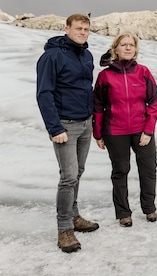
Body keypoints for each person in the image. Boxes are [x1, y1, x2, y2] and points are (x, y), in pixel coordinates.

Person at [36, 13, 100, 253]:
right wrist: (55, 128)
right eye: (78, 28)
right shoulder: (52, 56)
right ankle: (64, 229)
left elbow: (84, 86)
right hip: (65, 126)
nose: (83, 32)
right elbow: (44, 93)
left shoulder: (86, 55)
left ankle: (73, 215)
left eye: (86, 29)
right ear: (67, 28)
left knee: (78, 172)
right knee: (69, 177)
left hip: (85, 123)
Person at [93, 32, 157, 227]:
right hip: (115, 131)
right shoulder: (105, 76)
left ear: (136, 49)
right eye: (124, 44)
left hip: (142, 131)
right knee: (121, 170)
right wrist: (97, 133)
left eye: (131, 45)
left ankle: (149, 207)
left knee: (148, 170)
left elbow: (154, 101)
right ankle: (123, 212)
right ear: (116, 49)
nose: (128, 47)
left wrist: (148, 130)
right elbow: (98, 106)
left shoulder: (143, 72)